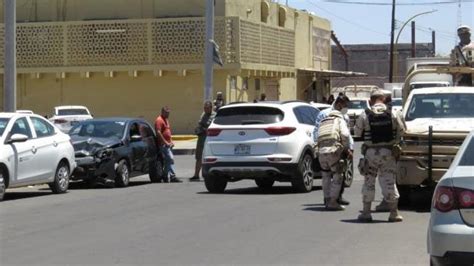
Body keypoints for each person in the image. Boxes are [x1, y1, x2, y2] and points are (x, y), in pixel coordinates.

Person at [354, 90, 403, 222]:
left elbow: (357, 133)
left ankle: (366, 213)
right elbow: (402, 130)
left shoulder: (365, 114)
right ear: (384, 99)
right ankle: (394, 213)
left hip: (370, 154)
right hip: (389, 153)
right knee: (389, 182)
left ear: (370, 101)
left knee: (369, 182)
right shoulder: (394, 112)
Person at [315, 95, 354, 206]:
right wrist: (347, 149)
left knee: (326, 175)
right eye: (345, 105)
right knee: (338, 175)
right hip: (334, 151)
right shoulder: (339, 119)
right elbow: (345, 135)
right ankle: (333, 201)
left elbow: (318, 134)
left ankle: (327, 199)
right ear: (339, 105)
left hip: (322, 151)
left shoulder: (325, 119)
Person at [155, 106, 182, 183]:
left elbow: (167, 131)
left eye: (168, 113)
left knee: (168, 160)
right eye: (166, 113)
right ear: (162, 112)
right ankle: (167, 175)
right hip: (163, 145)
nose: (168, 114)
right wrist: (165, 142)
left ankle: (169, 176)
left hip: (168, 144)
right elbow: (158, 133)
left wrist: (171, 141)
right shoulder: (159, 120)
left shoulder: (166, 120)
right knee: (170, 159)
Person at [191, 101, 216, 182]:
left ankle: (207, 175)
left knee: (207, 158)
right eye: (204, 108)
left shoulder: (214, 115)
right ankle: (196, 175)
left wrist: (204, 128)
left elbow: (211, 127)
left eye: (207, 108)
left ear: (211, 108)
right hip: (201, 138)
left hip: (208, 139)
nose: (205, 109)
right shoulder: (203, 114)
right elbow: (200, 123)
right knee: (198, 157)